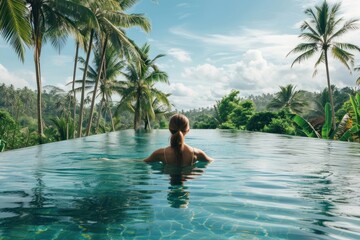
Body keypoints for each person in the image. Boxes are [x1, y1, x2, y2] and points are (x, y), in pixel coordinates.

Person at [144, 113, 213, 165]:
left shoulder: (160, 154)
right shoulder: (197, 153)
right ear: (188, 130)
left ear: (169, 129)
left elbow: (143, 162)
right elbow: (211, 161)